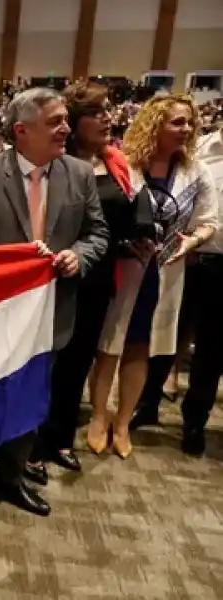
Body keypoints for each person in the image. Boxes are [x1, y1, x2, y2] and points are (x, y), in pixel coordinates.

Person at [0, 88, 108, 524]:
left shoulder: (79, 174)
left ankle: (12, 474)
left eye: (65, 119)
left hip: (51, 313)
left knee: (31, 401)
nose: (66, 128)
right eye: (55, 121)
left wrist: (80, 256)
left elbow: (97, 234)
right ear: (21, 131)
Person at [90, 95, 219, 458]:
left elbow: (210, 221)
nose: (186, 129)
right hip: (123, 268)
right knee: (108, 347)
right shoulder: (124, 164)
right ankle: (99, 416)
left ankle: (123, 421)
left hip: (167, 272)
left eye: (189, 123)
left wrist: (192, 240)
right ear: (155, 123)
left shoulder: (197, 171)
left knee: (141, 349)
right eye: (177, 122)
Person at [35, 81, 136, 467]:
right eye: (96, 112)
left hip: (99, 273)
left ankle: (60, 437)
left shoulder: (115, 162)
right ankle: (34, 442)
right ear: (74, 125)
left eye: (108, 109)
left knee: (78, 361)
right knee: (50, 361)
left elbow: (112, 221)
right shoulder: (56, 165)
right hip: (59, 272)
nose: (107, 117)